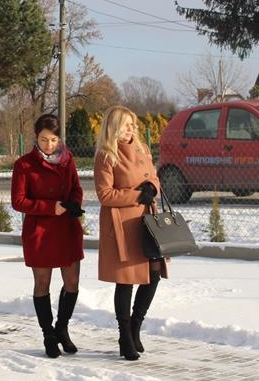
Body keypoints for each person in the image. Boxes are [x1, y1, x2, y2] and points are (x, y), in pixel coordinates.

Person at [94, 106, 167, 361]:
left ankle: (136, 325)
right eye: (126, 125)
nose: (131, 129)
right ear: (114, 127)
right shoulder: (106, 155)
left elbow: (154, 177)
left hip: (147, 221)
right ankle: (124, 335)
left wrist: (151, 188)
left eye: (132, 124)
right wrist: (137, 195)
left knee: (154, 274)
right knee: (125, 280)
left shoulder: (142, 148)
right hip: (123, 225)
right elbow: (105, 195)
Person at [11, 113, 84, 358]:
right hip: (40, 232)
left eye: (53, 140)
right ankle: (48, 335)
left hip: (67, 229)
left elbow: (76, 188)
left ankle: (62, 327)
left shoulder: (68, 160)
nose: (49, 145)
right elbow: (18, 201)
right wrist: (50, 207)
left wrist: (74, 204)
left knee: (72, 282)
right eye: (44, 140)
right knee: (42, 283)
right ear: (36, 137)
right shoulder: (24, 164)